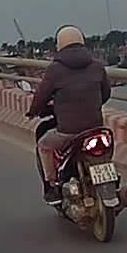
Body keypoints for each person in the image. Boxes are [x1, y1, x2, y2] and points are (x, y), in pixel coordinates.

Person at [24, 25, 113, 204]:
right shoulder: (97, 66)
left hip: (68, 132)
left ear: (60, 45)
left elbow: (41, 96)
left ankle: (51, 185)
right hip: (96, 128)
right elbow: (106, 94)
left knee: (44, 145)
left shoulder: (55, 70)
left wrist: (32, 112)